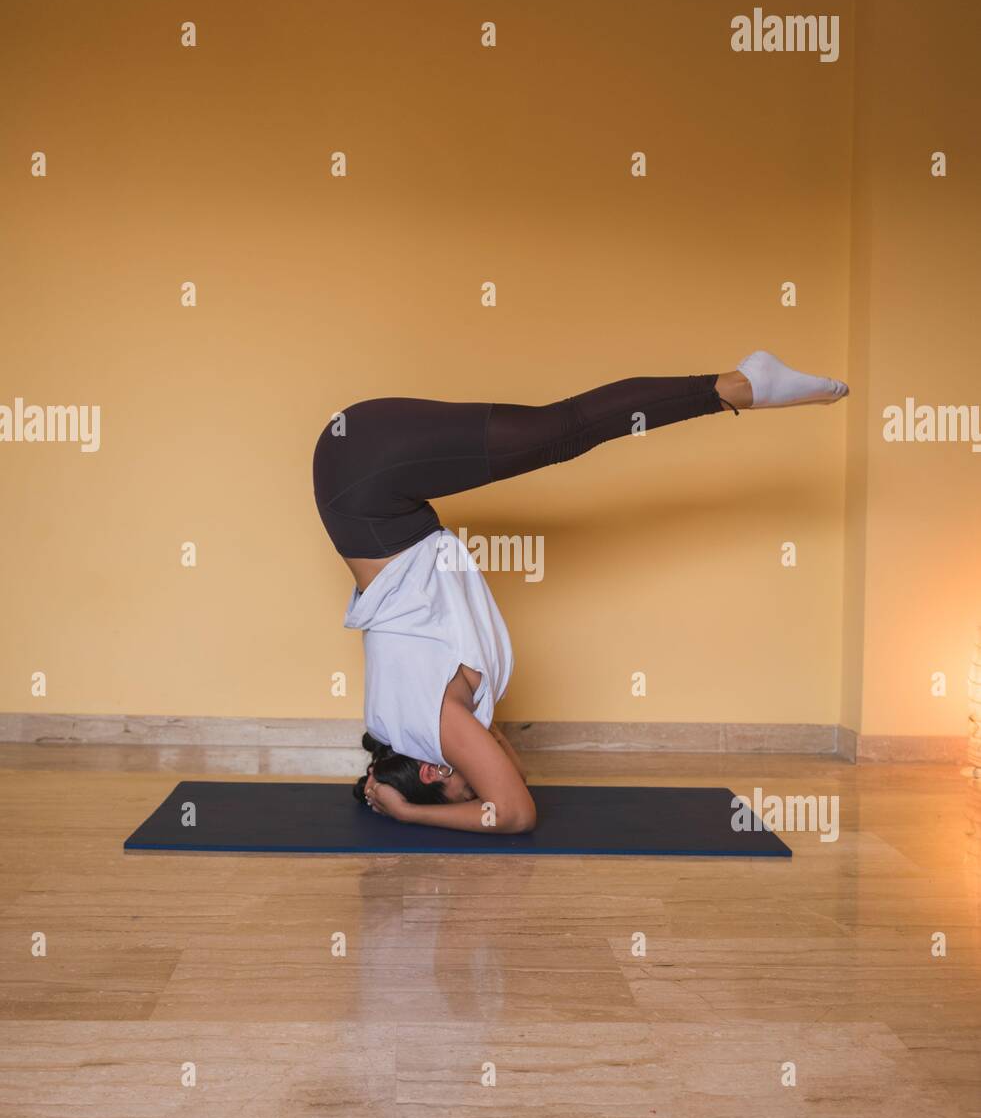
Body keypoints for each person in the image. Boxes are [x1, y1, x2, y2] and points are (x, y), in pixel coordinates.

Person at [312, 350, 848, 833]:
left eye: (464, 791)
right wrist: (407, 790)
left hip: (365, 476)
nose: (477, 792)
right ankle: (739, 385)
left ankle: (741, 386)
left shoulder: (434, 723)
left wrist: (409, 812)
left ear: (432, 770)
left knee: (563, 431)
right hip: (358, 475)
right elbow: (512, 776)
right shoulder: (410, 721)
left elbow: (514, 812)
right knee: (557, 431)